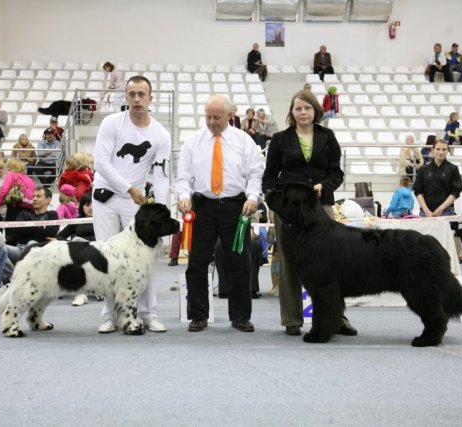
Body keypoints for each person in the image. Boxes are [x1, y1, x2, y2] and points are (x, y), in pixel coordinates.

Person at [262, 89, 356, 337]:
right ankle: (292, 318)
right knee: (290, 262)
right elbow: (269, 177)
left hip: (321, 206)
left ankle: (337, 318)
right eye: (298, 108)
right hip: (289, 212)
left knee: (331, 265)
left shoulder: (328, 136)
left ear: (315, 110)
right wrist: (276, 203)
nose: (302, 112)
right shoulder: (281, 139)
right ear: (291, 112)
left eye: (307, 108)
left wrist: (323, 186)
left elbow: (337, 173)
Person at [176, 94, 264, 333]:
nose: (212, 122)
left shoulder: (244, 141)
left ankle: (240, 316)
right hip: (201, 207)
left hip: (235, 208)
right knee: (196, 263)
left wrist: (253, 198)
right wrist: (183, 196)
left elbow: (255, 174)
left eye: (217, 117)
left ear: (229, 115)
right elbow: (183, 177)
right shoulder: (193, 141)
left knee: (239, 263)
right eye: (208, 117)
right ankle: (198, 315)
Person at [92, 75, 171, 334]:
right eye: (132, 94)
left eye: (142, 94)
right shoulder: (111, 123)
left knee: (143, 260)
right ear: (126, 97)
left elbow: (160, 176)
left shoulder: (161, 134)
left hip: (133, 204)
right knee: (107, 259)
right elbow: (101, 162)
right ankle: (109, 316)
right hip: (105, 197)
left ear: (151, 98)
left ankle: (149, 314)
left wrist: (161, 212)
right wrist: (128, 188)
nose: (137, 99)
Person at [56, 191, 98, 307]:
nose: (91, 208)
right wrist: (69, 244)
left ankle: (83, 293)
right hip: (79, 251)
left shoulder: (103, 219)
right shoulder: (77, 220)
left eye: (93, 204)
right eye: (87, 205)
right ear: (82, 206)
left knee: (76, 243)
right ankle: (82, 294)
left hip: (98, 251)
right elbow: (59, 236)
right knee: (74, 244)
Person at [413, 139, 462, 224]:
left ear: (448, 151)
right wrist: (426, 211)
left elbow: (455, 192)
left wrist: (441, 209)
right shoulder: (423, 169)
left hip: (446, 212)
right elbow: (418, 192)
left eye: (444, 149)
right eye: (438, 149)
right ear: (432, 150)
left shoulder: (453, 169)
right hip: (425, 212)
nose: (441, 152)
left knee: (442, 237)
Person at [5, 186, 59, 263]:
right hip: (20, 248)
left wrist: (27, 228)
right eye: (33, 196)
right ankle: (12, 273)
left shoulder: (52, 214)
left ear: (48, 199)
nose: (34, 199)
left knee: (32, 243)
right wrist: (40, 228)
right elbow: (16, 229)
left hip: (40, 251)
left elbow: (51, 233)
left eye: (38, 196)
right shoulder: (24, 213)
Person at [0, 157, 35, 222]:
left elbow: (3, 190)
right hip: (29, 209)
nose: (7, 169)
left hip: (15, 207)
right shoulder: (30, 179)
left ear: (11, 167)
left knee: (11, 230)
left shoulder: (11, 174)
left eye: (8, 167)